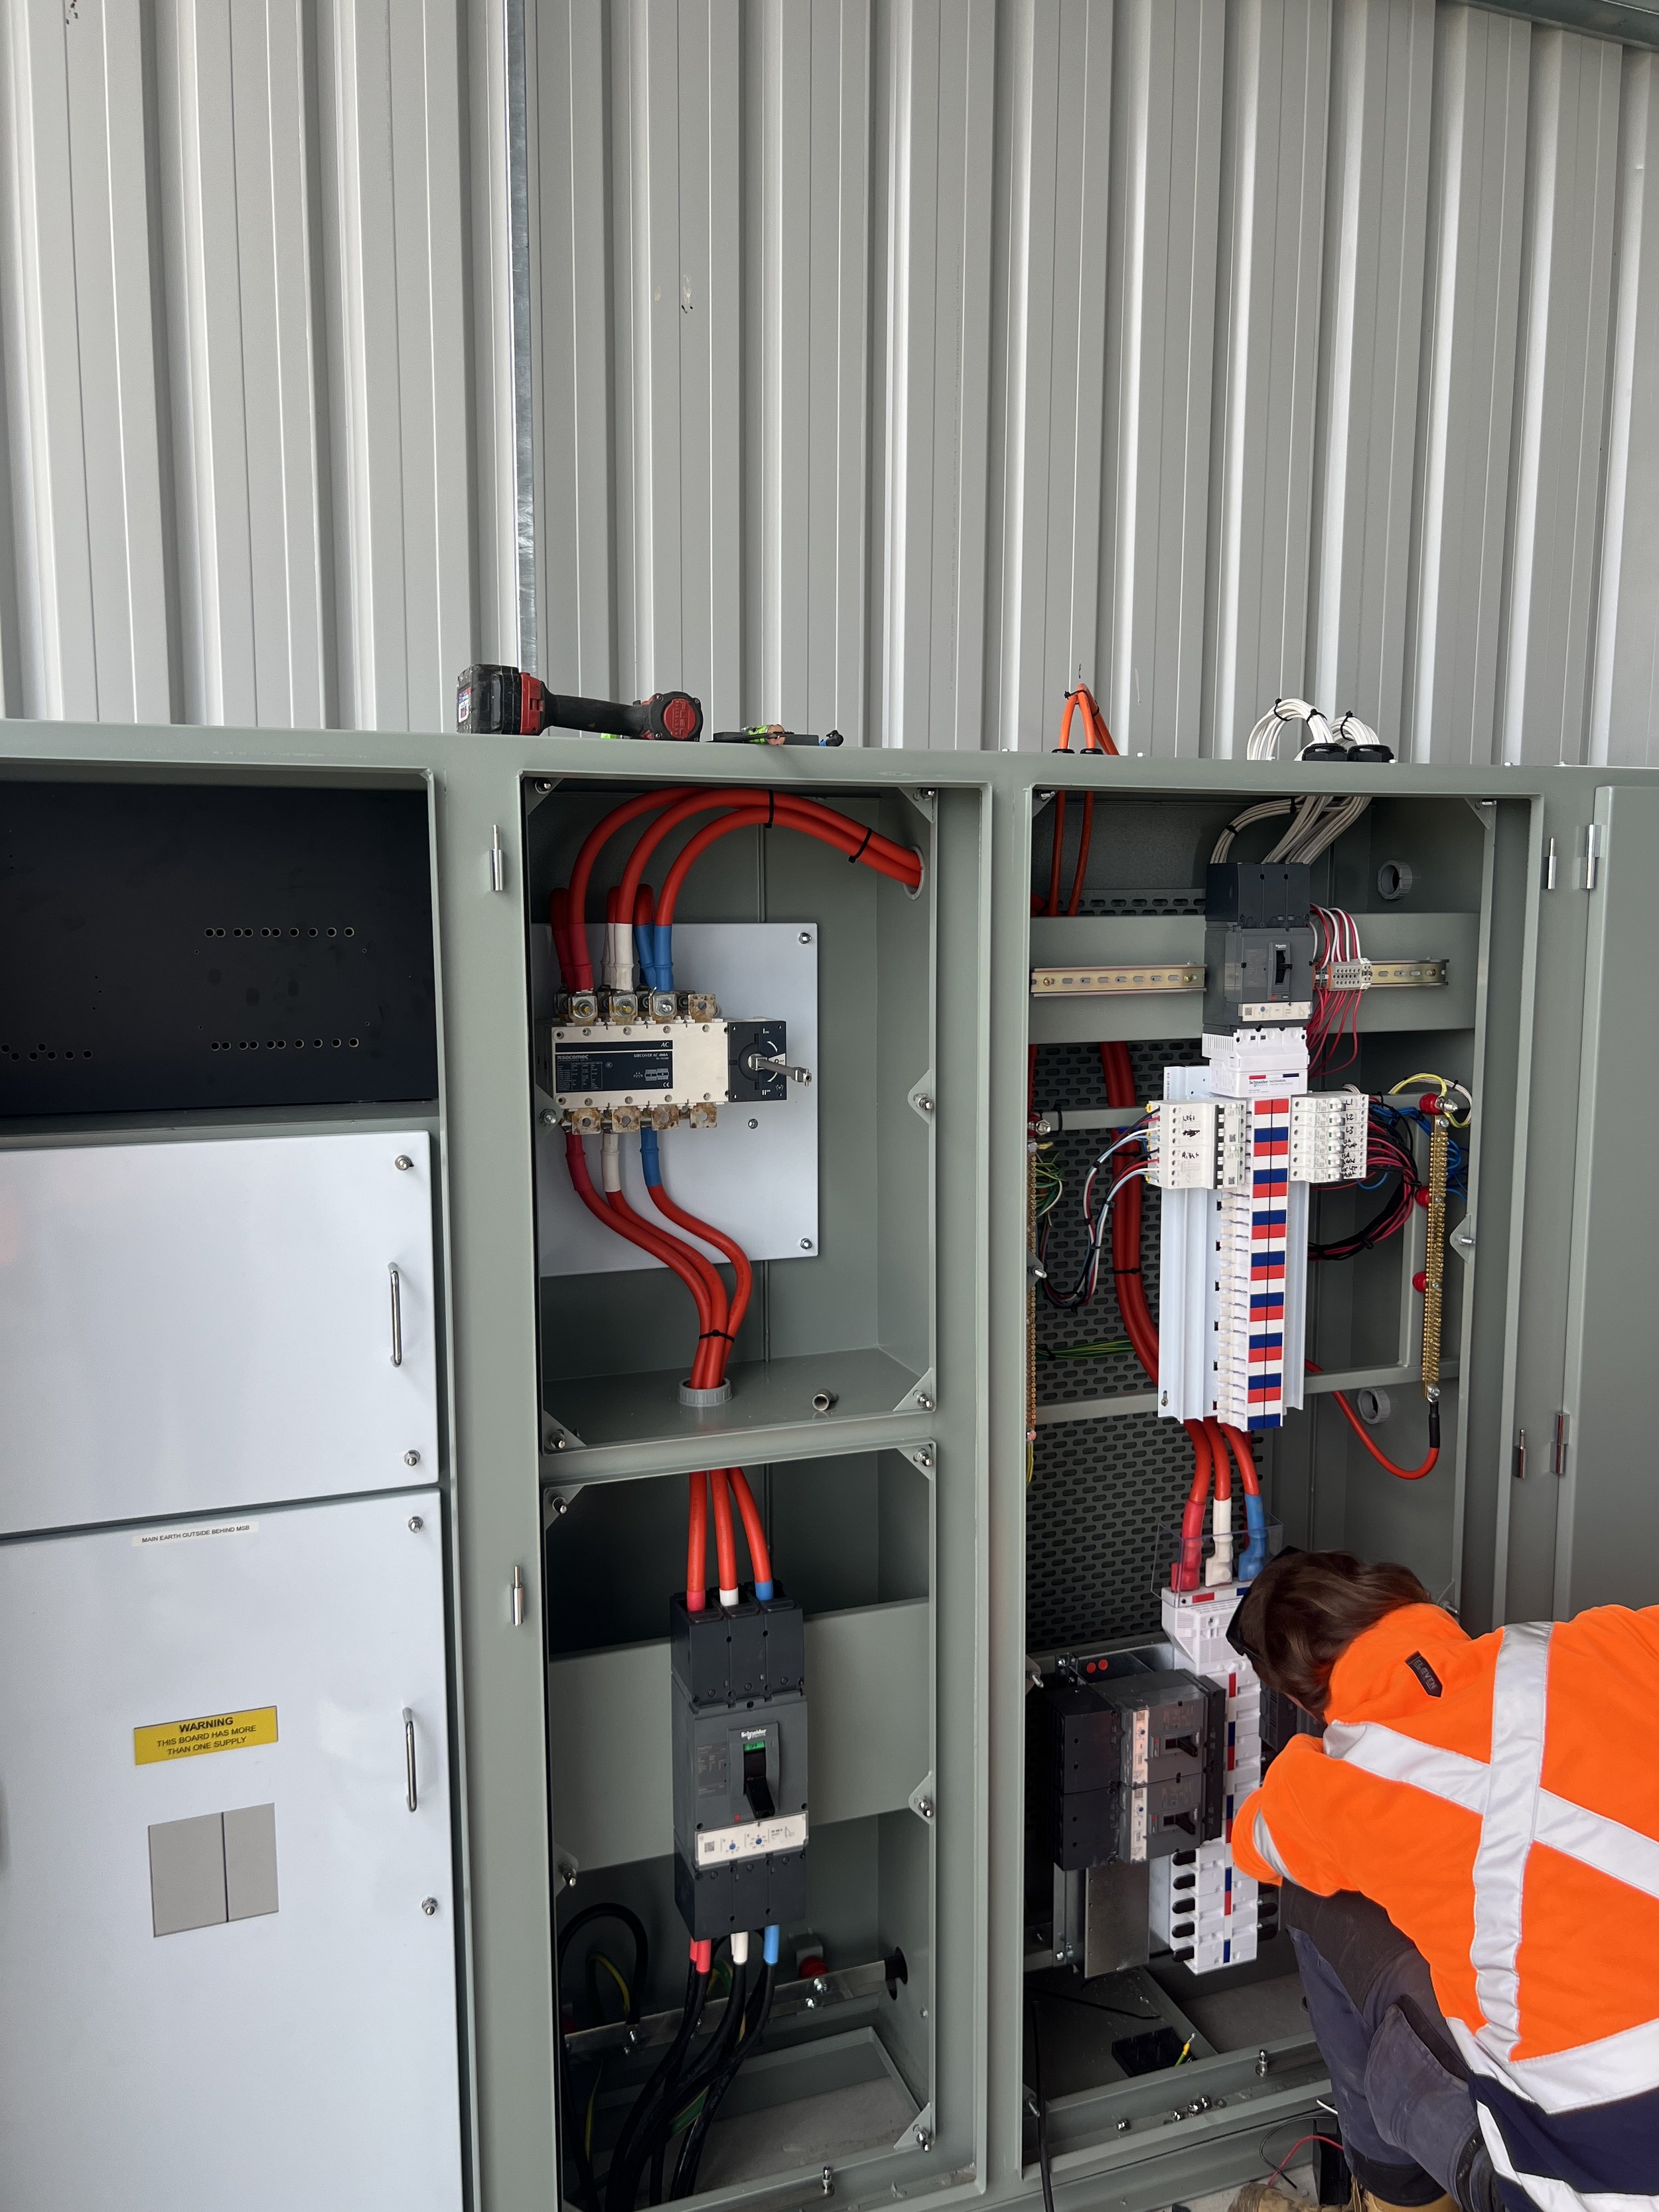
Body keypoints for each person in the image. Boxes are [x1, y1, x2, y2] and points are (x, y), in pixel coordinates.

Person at [1224, 1550, 1659, 2212]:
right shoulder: (1604, 1640)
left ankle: (1391, 2195)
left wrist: (1307, 1768)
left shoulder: (1328, 1792)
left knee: (1319, 1898)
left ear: (1296, 1694)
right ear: (1417, 1601)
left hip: (1587, 2178)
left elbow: (1251, 1846)